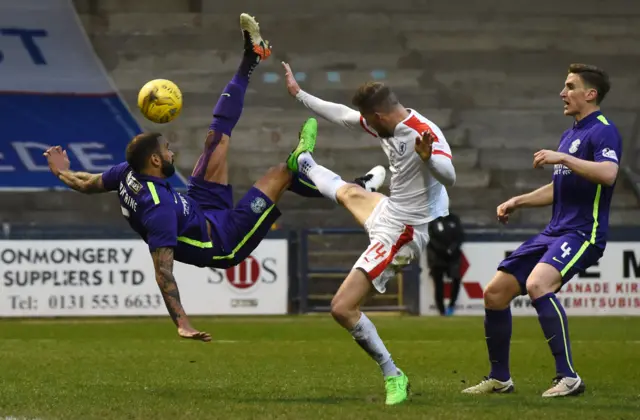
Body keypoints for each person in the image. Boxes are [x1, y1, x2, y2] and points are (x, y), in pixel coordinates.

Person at [43, 14, 384, 343]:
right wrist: (183, 323)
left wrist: (62, 172)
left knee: (216, 137)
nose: (173, 151)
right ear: (155, 160)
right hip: (223, 239)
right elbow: (163, 272)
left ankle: (252, 57)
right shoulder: (158, 210)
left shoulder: (127, 172)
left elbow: (87, 183)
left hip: (200, 206)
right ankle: (355, 189)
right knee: (282, 173)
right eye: (167, 148)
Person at [283, 63, 456, 405]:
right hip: (390, 211)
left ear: (379, 114)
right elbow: (344, 115)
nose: (365, 124)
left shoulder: (422, 132)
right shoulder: (384, 124)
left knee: (342, 307)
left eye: (368, 118)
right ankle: (304, 161)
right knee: (346, 193)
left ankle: (394, 375)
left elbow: (450, 176)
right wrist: (300, 95)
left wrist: (429, 159)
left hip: (403, 234)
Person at [462, 64, 622, 397]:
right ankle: (500, 378)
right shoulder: (571, 134)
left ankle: (568, 377)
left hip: (582, 232)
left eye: (570, 87)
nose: (562, 93)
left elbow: (608, 173)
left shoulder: (603, 131)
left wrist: (563, 158)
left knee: (537, 284)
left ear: (590, 94)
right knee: (494, 293)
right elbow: (558, 188)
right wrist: (516, 201)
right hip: (554, 231)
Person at [426, 212, 464, 316]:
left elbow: (460, 236)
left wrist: (452, 249)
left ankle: (451, 305)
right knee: (438, 284)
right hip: (437, 258)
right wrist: (443, 250)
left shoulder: (454, 219)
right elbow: (431, 238)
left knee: (456, 280)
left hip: (453, 257)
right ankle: (441, 310)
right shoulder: (433, 221)